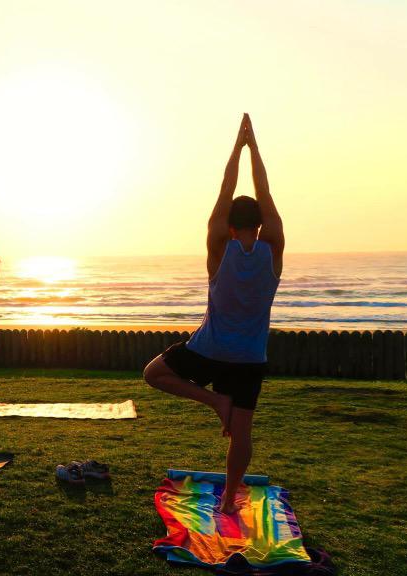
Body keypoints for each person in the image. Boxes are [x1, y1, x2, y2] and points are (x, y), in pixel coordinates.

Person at [143, 114, 284, 513]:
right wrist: (255, 148)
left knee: (154, 373)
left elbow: (226, 189)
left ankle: (212, 402)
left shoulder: (218, 251)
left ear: (227, 224)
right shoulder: (273, 253)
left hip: (209, 349)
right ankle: (228, 500)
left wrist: (236, 149)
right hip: (249, 358)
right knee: (242, 433)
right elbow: (265, 191)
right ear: (260, 224)